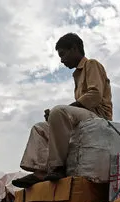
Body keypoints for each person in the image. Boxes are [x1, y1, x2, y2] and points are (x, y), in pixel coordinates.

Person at [13, 33, 113, 188]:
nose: (61, 60)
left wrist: (60, 112)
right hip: (85, 117)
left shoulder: (91, 64)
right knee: (40, 128)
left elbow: (95, 95)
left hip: (99, 117)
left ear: (74, 48)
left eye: (63, 54)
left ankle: (58, 167)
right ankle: (40, 172)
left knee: (58, 111)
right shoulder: (77, 75)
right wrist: (55, 116)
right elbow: (78, 107)